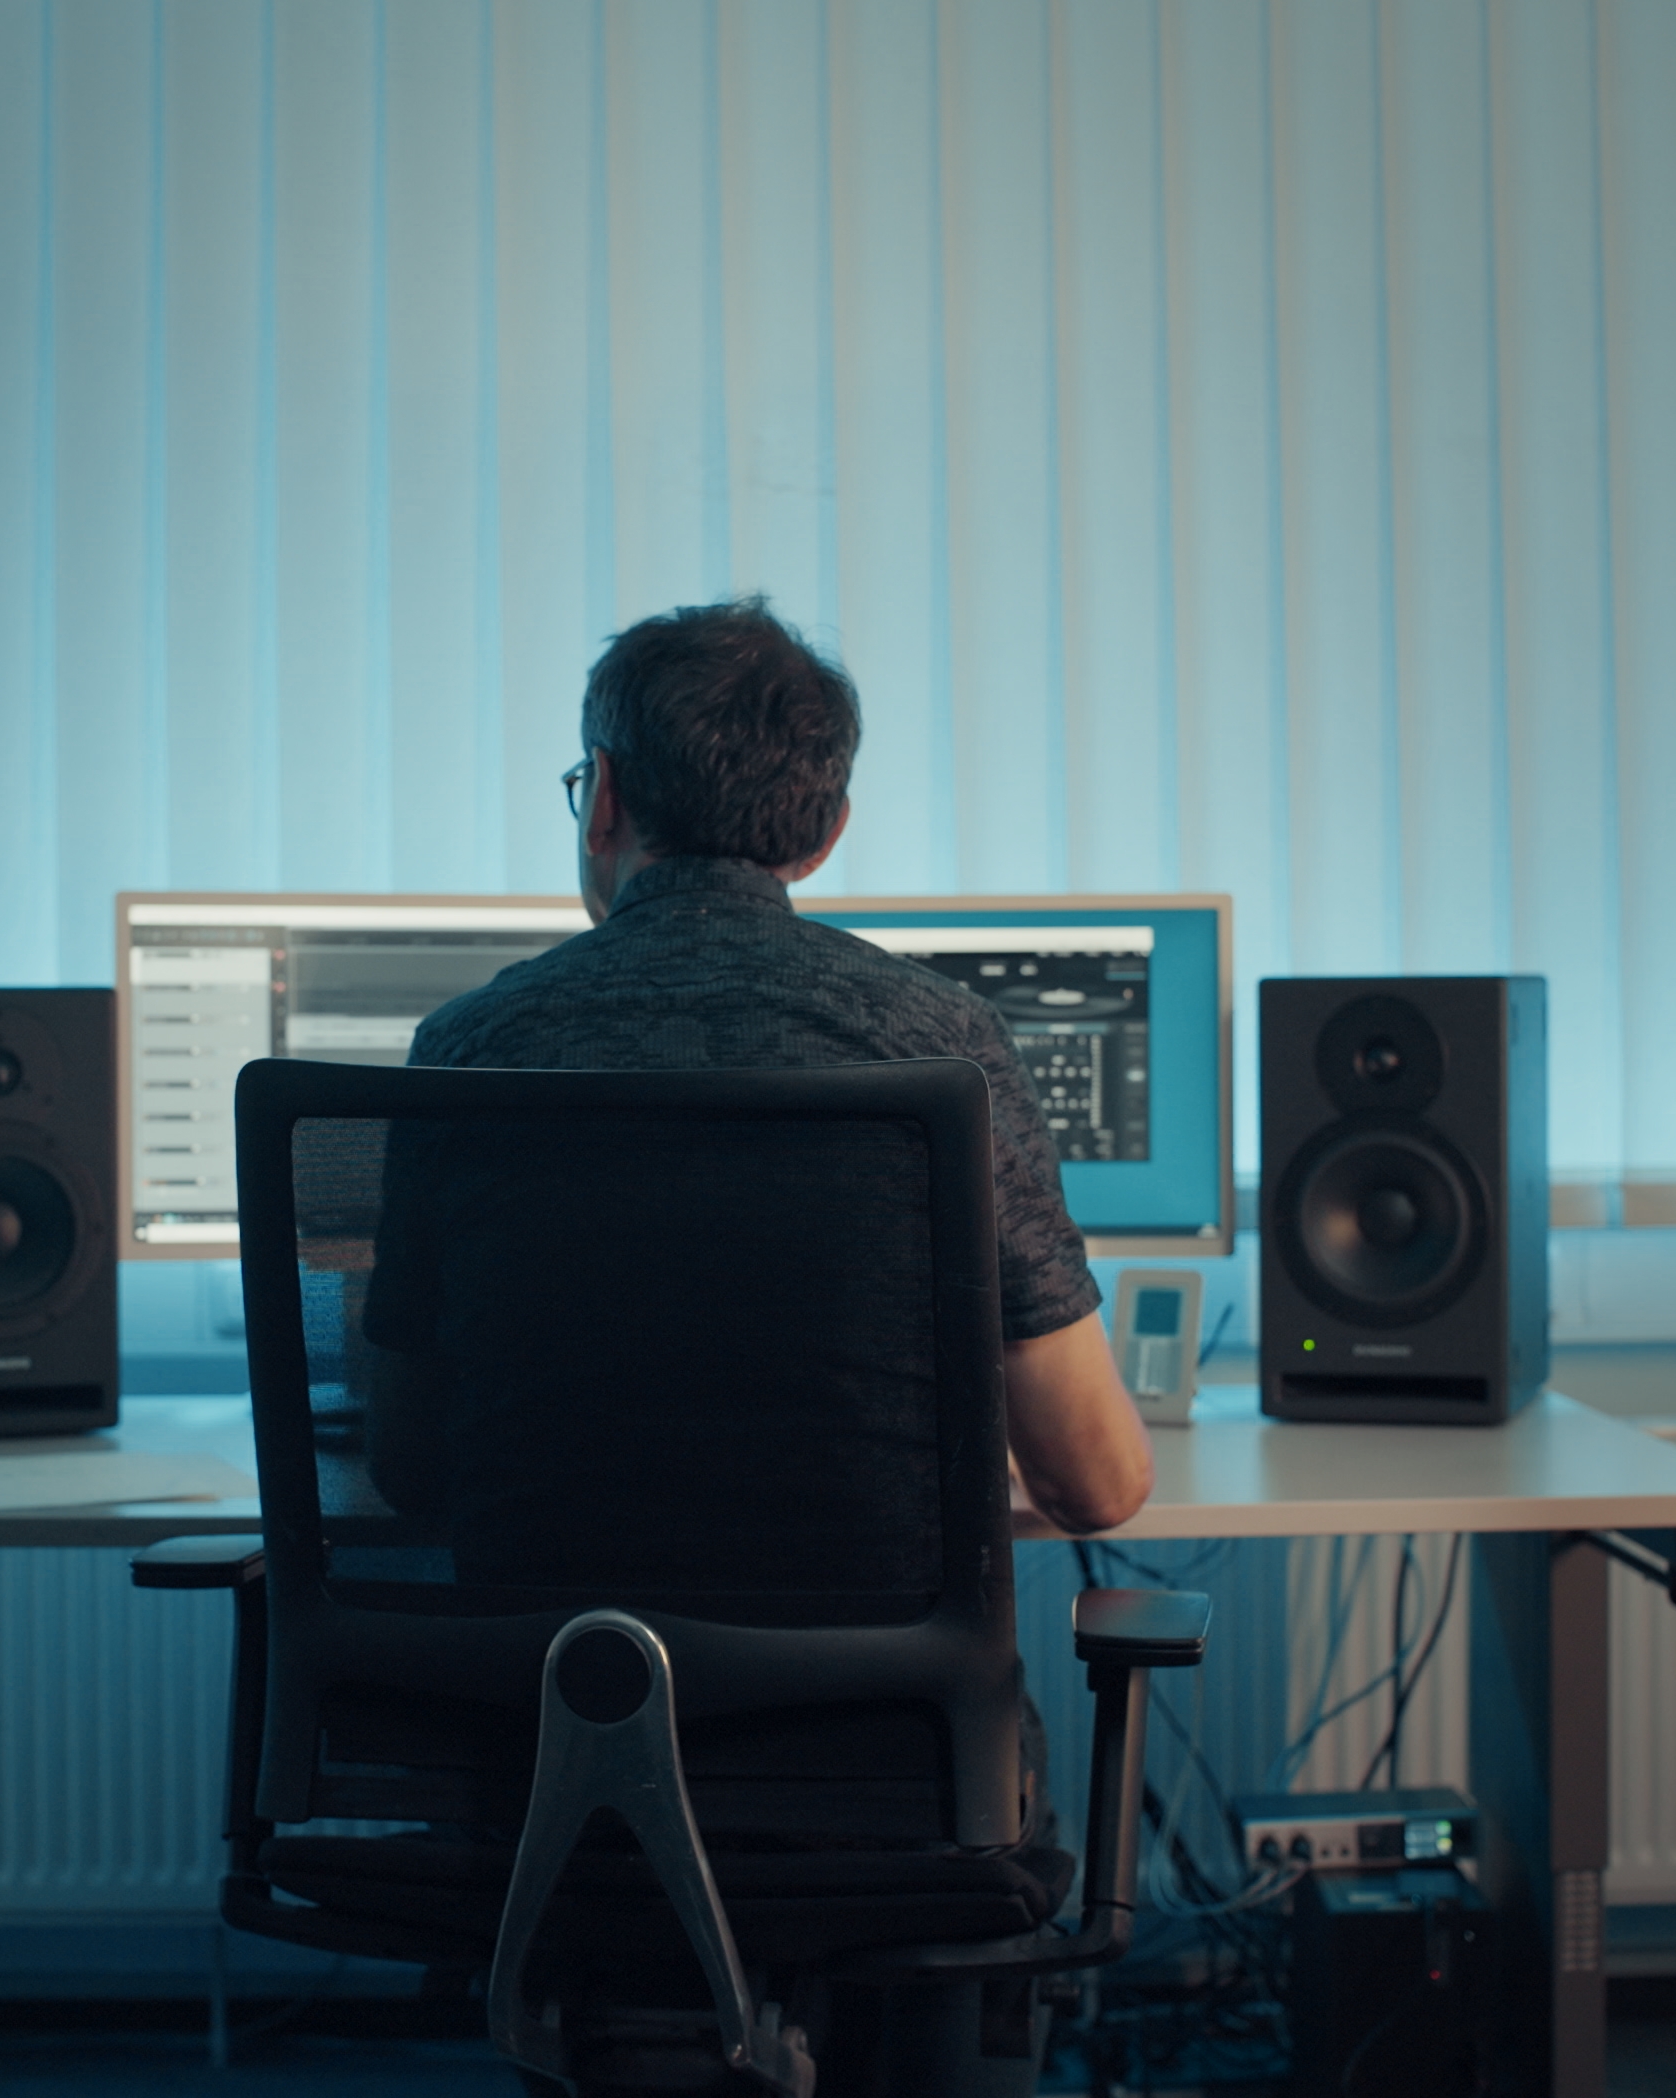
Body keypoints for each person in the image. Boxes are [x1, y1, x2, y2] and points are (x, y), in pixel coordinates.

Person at [387, 596, 1153, 1540]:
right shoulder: (945, 1044)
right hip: (880, 1686)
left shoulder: (466, 1052)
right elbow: (1097, 1489)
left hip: (552, 1679)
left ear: (606, 797)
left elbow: (410, 1468)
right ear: (827, 831)